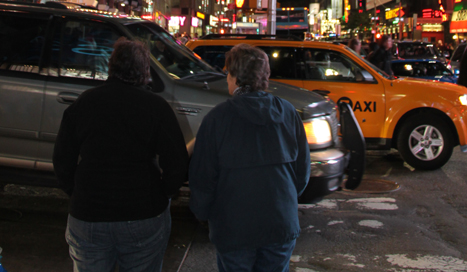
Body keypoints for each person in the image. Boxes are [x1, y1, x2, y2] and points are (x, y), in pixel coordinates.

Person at [53, 38, 189, 272]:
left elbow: (62, 159)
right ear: (145, 71)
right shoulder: (155, 108)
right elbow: (177, 163)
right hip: (142, 211)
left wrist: (77, 191)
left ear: (111, 67)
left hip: (88, 212)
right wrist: (163, 193)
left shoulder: (85, 103)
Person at [188, 43, 311, 272]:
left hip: (233, 227)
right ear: (264, 77)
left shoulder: (217, 119)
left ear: (234, 77)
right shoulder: (287, 112)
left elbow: (203, 176)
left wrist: (202, 213)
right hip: (280, 223)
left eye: (227, 74)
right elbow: (302, 172)